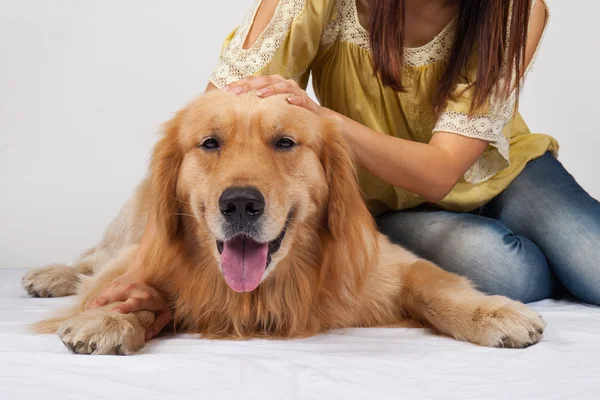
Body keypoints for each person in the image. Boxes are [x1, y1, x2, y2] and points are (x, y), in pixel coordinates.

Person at [89, 0, 600, 340]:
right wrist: (142, 272)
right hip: (384, 194)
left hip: (502, 172)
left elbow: (443, 170)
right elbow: (202, 138)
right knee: (505, 268)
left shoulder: (515, 9)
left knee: (593, 263)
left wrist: (324, 120)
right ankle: (529, 257)